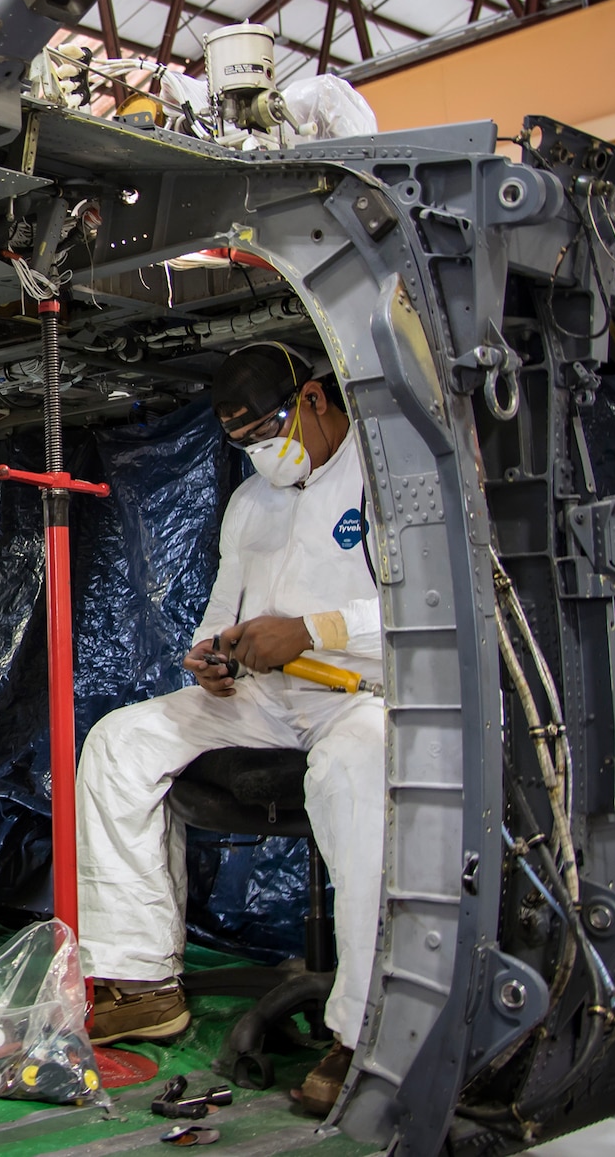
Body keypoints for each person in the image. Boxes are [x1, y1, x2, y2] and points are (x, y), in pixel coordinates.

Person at [76, 341, 385, 1118]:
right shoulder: (252, 503)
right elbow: (222, 613)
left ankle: (365, 1031)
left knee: (351, 773)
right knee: (120, 741)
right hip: (265, 699)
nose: (261, 453)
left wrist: (315, 628)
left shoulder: (385, 476)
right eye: (243, 442)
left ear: (313, 399)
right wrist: (210, 656)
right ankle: (140, 979)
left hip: (368, 697)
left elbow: (444, 611)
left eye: (268, 430)